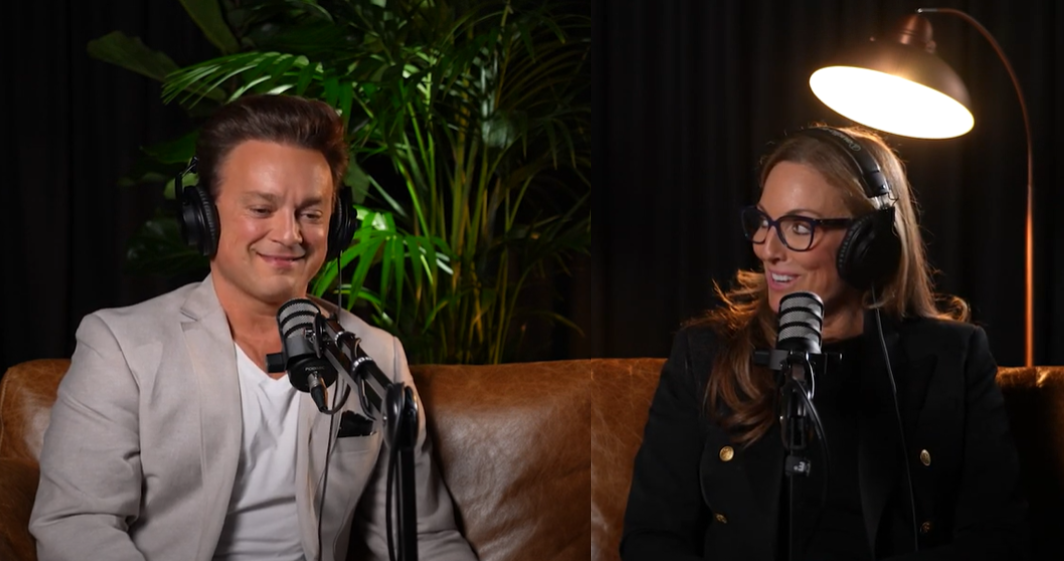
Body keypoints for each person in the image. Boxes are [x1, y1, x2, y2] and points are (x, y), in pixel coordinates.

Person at [30, 95, 478, 561]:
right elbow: (76, 524)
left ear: (338, 224)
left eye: (311, 213)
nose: (289, 235)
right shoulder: (120, 347)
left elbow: (427, 540)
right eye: (262, 209)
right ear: (201, 217)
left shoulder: (376, 356)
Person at [620, 126, 1028, 560]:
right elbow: (651, 539)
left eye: (799, 226)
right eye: (762, 222)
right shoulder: (703, 354)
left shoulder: (955, 358)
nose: (767, 249)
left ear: (870, 243)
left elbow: (998, 540)